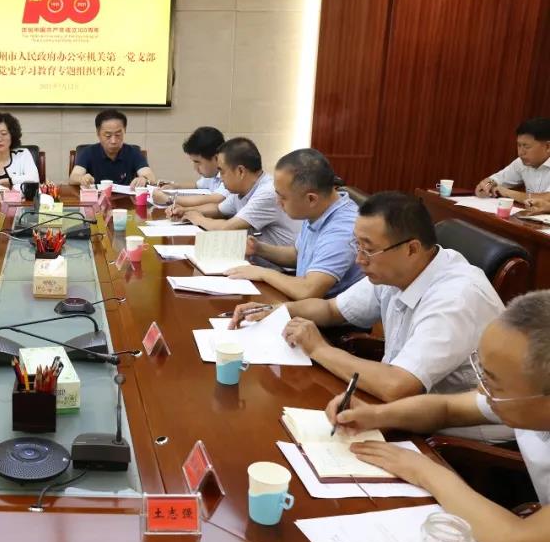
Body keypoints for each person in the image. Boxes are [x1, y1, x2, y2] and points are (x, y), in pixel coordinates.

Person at [325, 290, 550, 542]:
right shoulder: (524, 398)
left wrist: (424, 470)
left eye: (494, 383)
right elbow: (446, 408)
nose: (482, 390)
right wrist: (377, 415)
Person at [230, 192, 504, 406]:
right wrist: (276, 310)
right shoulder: (397, 270)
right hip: (401, 406)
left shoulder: (456, 298)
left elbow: (398, 386)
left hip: (450, 437)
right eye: (357, 245)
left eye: (368, 250)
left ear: (411, 249)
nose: (358, 259)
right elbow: (331, 309)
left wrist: (319, 349)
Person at [225, 148, 363, 299]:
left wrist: (263, 273)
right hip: (303, 304)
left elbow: (308, 291)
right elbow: (298, 255)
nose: (278, 202)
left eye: (283, 197)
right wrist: (258, 248)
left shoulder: (342, 229)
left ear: (311, 199)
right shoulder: (319, 209)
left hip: (324, 310)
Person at [180, 137, 301, 248]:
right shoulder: (240, 190)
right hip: (254, 259)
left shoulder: (267, 192)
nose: (220, 178)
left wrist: (199, 219)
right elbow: (218, 209)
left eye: (222, 172)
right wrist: (185, 211)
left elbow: (226, 228)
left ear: (240, 171)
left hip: (275, 263)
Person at [69, 109, 156, 188]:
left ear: (125, 131)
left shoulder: (133, 152)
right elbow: (73, 177)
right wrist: (82, 179)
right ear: (98, 133)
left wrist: (144, 179)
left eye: (118, 135)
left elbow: (151, 176)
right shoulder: (88, 152)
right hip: (96, 198)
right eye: (108, 135)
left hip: (125, 199)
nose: (113, 141)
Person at [153, 126, 229, 210]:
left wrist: (169, 199)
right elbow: (197, 185)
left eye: (197, 162)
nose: (195, 168)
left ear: (216, 158)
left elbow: (215, 199)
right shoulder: (212, 173)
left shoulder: (229, 173)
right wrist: (174, 186)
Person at [476, 117, 550, 200]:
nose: (520, 152)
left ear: (548, 146)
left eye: (526, 146)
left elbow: (547, 199)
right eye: (519, 145)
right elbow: (497, 180)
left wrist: (508, 193)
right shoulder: (522, 162)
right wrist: (487, 184)